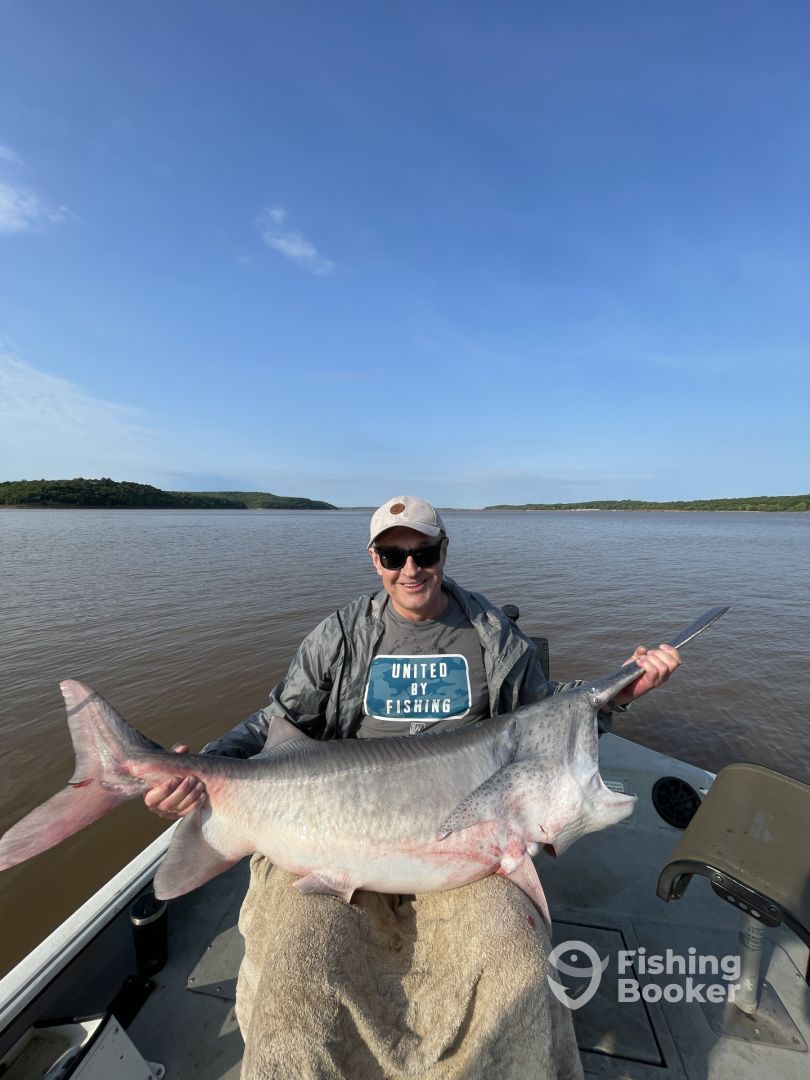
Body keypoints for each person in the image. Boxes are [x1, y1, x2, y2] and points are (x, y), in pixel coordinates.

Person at [145, 495, 680, 1079]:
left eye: (423, 553)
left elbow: (546, 712)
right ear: (374, 558)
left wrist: (619, 695)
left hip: (467, 838)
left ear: (444, 551)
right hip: (331, 826)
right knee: (297, 975)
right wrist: (205, 768)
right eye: (393, 555)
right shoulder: (340, 634)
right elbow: (275, 720)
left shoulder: (491, 632)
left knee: (521, 966)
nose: (410, 569)